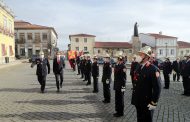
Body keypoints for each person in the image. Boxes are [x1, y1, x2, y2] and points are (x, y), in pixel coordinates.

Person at [131, 46, 161, 122]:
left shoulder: (153, 69)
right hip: (138, 100)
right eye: (139, 54)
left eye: (141, 55)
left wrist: (153, 103)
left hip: (147, 102)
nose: (139, 56)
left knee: (147, 119)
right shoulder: (138, 66)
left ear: (147, 57)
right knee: (140, 118)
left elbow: (157, 88)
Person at [113, 52, 127, 117]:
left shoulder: (123, 66)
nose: (117, 60)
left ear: (120, 60)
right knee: (117, 98)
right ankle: (117, 110)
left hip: (121, 85)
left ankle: (120, 112)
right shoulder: (117, 65)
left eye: (118, 59)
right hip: (117, 85)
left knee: (120, 99)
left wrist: (123, 87)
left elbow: (124, 78)